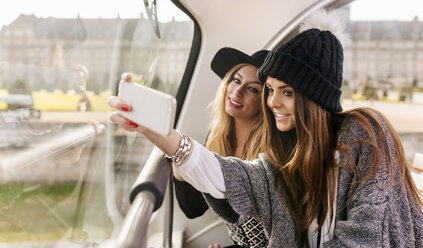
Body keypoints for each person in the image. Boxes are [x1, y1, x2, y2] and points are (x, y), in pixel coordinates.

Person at [109, 11, 423, 248]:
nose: (272, 102)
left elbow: (366, 239)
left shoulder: (366, 135)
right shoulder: (284, 158)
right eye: (270, 89)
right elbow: (225, 175)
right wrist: (160, 136)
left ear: (313, 97)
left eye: (286, 91)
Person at [173, 47, 270, 248]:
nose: (237, 91)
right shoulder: (217, 139)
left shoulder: (270, 152)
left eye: (253, 89)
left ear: (265, 102)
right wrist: (179, 164)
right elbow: (193, 208)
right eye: (236, 80)